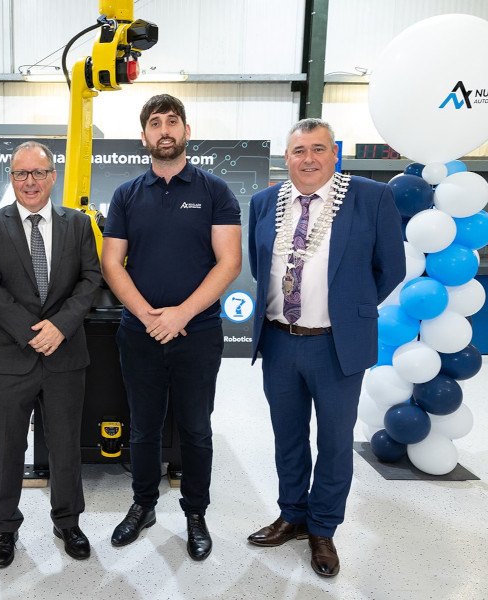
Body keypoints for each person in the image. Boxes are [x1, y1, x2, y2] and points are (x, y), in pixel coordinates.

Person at [247, 118, 405, 577]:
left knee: (334, 442)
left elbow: (389, 268)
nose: (309, 159)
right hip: (279, 341)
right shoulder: (264, 203)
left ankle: (322, 528)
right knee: (288, 438)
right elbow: (262, 269)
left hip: (336, 345)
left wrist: (349, 306)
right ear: (286, 158)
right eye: (299, 151)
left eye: (319, 149)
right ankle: (292, 515)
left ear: (334, 154)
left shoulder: (371, 198)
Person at [102, 94, 242, 561]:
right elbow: (112, 263)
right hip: (139, 332)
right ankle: (143, 506)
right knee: (142, 428)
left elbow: (228, 262)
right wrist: (148, 316)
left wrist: (181, 314)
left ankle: (195, 513)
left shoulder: (215, 191)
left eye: (173, 121)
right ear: (144, 136)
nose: (165, 129)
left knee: (196, 429)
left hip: (197, 332)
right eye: (155, 123)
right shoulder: (126, 195)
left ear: (186, 131)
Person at [0, 141, 101, 568]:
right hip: (13, 354)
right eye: (20, 174)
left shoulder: (78, 225)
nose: (29, 182)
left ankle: (68, 522)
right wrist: (32, 333)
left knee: (65, 445)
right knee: (8, 445)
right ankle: (4, 528)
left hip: (66, 355)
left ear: (52, 177)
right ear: (11, 178)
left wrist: (60, 326)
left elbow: (90, 279)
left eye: (38, 173)